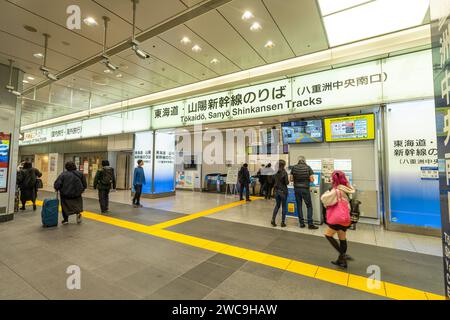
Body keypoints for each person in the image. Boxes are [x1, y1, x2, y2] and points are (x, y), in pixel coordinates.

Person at [321, 170, 355, 269]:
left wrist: (328, 191)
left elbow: (324, 199)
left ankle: (343, 254)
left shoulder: (336, 191)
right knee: (342, 238)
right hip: (346, 217)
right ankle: (342, 261)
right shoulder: (348, 188)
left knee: (328, 235)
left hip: (338, 217)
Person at [291, 156, 318, 230]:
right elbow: (312, 180)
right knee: (309, 206)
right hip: (305, 189)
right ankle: (310, 224)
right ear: (304, 161)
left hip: (296, 189)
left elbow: (291, 179)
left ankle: (301, 223)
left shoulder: (294, 167)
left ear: (298, 160)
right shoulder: (308, 167)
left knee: (299, 206)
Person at [271, 160, 289, 228]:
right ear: (284, 165)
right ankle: (283, 222)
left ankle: (273, 220)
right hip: (283, 191)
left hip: (276, 191)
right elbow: (287, 182)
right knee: (284, 206)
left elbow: (272, 181)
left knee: (277, 206)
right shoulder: (284, 173)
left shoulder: (274, 172)